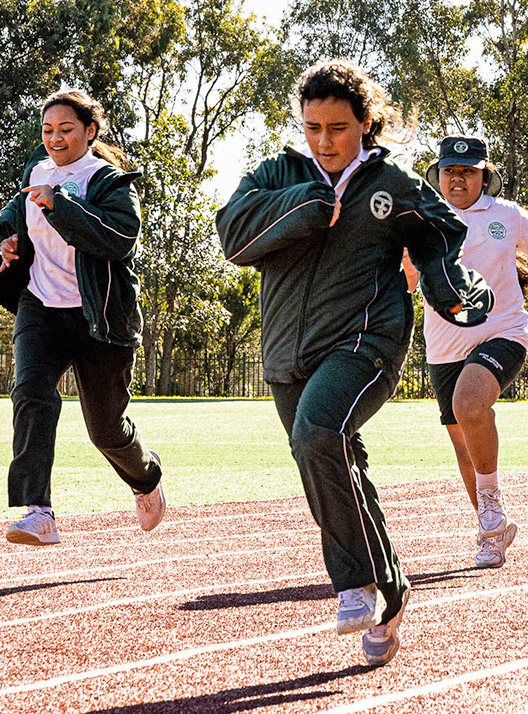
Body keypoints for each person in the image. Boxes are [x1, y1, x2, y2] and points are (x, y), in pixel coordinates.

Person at [216, 59, 494, 667]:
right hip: (286, 352)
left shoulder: (393, 183)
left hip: (367, 341)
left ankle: (354, 584)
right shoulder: (277, 173)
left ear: (365, 123)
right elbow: (233, 237)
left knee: (318, 432)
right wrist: (303, 203)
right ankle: (390, 594)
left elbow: (439, 239)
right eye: (313, 127)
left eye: (338, 128)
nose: (324, 141)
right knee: (328, 463)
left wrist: (450, 287)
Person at [0, 89, 165, 546]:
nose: (55, 138)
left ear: (90, 131)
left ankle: (146, 478)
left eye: (66, 129)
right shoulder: (37, 171)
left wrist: (59, 204)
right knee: (31, 393)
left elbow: (120, 238)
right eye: (47, 130)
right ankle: (38, 512)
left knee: (106, 429)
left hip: (99, 317)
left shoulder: (110, 182)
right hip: (40, 305)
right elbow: (16, 215)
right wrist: (8, 240)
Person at [402, 136, 528, 569]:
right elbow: (407, 281)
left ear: (484, 177)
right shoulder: (421, 222)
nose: (458, 179)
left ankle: (492, 505)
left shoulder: (507, 215)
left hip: (503, 332)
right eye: (450, 171)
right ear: (438, 177)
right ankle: (492, 531)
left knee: (469, 404)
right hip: (444, 347)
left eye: (468, 171)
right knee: (464, 446)